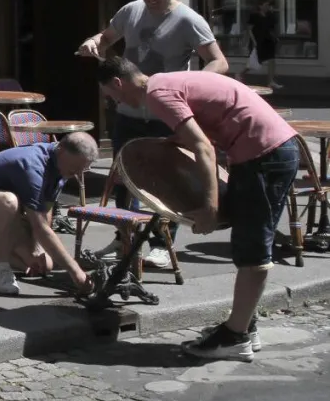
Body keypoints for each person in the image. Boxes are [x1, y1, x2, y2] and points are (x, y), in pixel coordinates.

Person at [96, 56, 298, 361]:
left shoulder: (157, 95)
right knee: (249, 243)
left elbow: (204, 147)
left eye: (111, 96)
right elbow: (202, 125)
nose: (114, 102)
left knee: (253, 246)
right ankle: (245, 324)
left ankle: (236, 337)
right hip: (269, 150)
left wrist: (209, 207)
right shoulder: (165, 81)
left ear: (117, 83)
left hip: (263, 154)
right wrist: (170, 143)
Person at [77, 0, 228, 268]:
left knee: (165, 179)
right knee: (124, 177)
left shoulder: (188, 20)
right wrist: (94, 42)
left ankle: (162, 242)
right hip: (129, 110)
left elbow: (219, 62)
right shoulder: (132, 11)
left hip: (166, 111)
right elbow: (106, 38)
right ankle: (125, 238)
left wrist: (188, 86)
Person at [0, 133, 100, 296]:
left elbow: (45, 210)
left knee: (44, 264)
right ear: (61, 149)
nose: (76, 173)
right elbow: (40, 227)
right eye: (74, 168)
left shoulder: (62, 165)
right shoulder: (33, 166)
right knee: (8, 201)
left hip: (10, 209)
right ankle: (1, 268)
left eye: (82, 169)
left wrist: (36, 251)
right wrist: (77, 273)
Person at [246, 0, 283, 90]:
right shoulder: (254, 16)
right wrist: (254, 41)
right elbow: (249, 29)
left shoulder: (270, 15)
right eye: (265, 5)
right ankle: (241, 73)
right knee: (256, 61)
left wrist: (276, 38)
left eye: (268, 5)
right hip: (259, 41)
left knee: (272, 60)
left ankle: (270, 81)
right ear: (260, 6)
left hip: (268, 40)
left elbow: (272, 28)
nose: (267, 7)